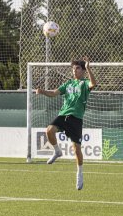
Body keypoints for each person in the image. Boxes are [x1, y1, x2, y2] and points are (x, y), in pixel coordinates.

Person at [35, 56, 96, 190]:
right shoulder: (68, 84)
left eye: (78, 68)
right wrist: (42, 91)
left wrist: (89, 68)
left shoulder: (85, 83)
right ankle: (57, 151)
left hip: (76, 119)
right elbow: (54, 93)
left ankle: (80, 173)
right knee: (49, 130)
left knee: (76, 149)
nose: (75, 71)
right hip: (63, 115)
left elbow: (93, 84)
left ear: (83, 70)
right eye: (73, 69)